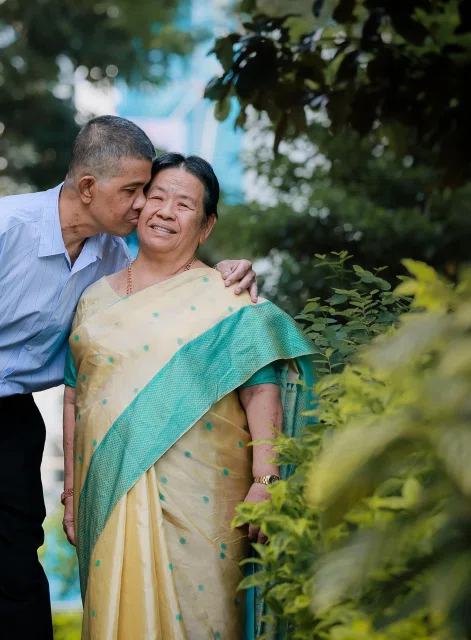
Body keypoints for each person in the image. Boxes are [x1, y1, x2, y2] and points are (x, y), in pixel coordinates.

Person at [0, 116, 259, 639]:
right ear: (89, 187)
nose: (144, 205)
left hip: (10, 422)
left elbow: (175, 289)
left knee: (16, 586)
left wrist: (230, 271)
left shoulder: (113, 256)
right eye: (135, 191)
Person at [61, 153, 318, 639]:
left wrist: (266, 479)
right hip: (108, 498)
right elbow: (77, 396)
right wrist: (73, 495)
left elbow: (262, 392)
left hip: (203, 508)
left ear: (206, 224)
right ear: (138, 207)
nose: (164, 211)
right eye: (156, 197)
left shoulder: (228, 297)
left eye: (183, 204)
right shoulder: (93, 299)